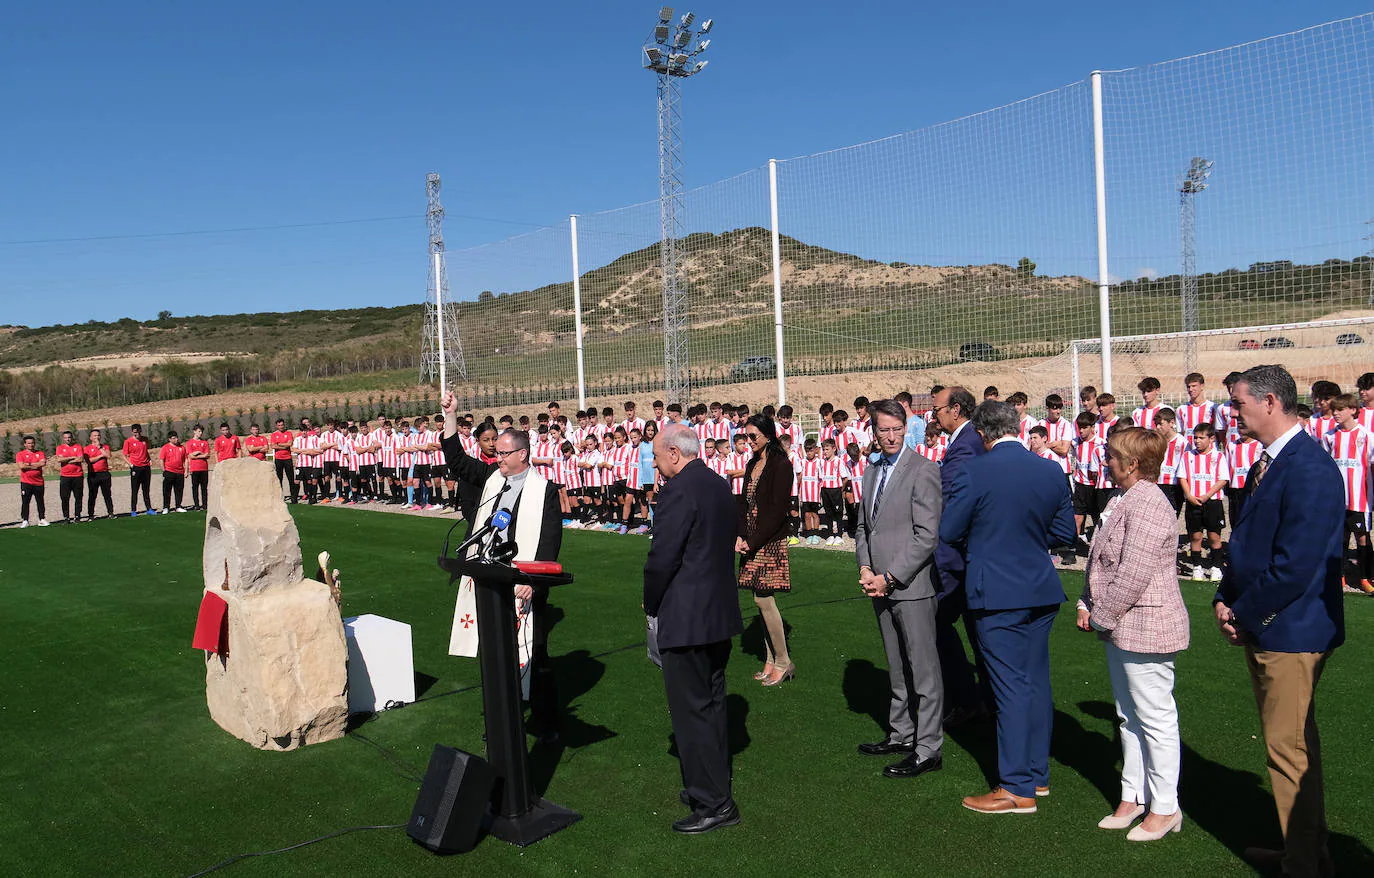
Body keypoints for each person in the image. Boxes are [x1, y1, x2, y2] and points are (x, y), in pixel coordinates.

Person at [1215, 364, 1345, 878]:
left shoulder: (1308, 467)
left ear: (1270, 402)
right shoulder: (1271, 461)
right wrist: (1227, 596)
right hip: (1274, 622)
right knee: (1293, 748)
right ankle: (1306, 854)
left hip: (1292, 628)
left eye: (1239, 402)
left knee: (1288, 753)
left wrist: (1244, 612)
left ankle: (1303, 864)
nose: (1233, 412)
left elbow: (1296, 564)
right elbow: (1251, 543)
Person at [940, 400, 1076, 814]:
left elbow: (949, 530)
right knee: (1034, 682)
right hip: (1040, 587)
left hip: (997, 591)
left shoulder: (974, 470)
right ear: (1019, 426)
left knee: (1010, 687)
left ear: (982, 434)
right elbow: (1064, 531)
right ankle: (1036, 776)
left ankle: (1017, 786)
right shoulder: (1050, 468)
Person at [1075, 427, 1189, 841]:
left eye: (1112, 456)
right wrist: (1087, 602)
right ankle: (1133, 794)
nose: (1107, 461)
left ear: (1133, 463)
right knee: (1129, 715)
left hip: (1147, 622)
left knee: (1156, 718)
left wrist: (1100, 613)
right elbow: (1102, 564)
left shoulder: (1150, 504)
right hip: (1122, 622)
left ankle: (1165, 806)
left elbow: (1133, 574)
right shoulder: (1125, 498)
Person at [440, 392, 563, 740]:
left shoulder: (545, 491)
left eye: (504, 452)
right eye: (497, 452)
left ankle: (545, 722)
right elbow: (458, 462)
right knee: (495, 652)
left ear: (522, 454)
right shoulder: (494, 479)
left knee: (534, 652)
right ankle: (501, 718)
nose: (497, 456)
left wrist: (534, 581)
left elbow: (550, 543)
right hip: (490, 576)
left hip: (524, 581)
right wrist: (450, 417)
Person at [643, 424, 743, 834]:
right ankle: (710, 784)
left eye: (655, 455)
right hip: (717, 611)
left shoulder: (679, 490)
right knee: (713, 704)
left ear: (672, 452)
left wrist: (650, 603)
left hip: (687, 615)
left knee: (691, 712)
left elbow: (663, 557)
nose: (654, 463)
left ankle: (714, 802)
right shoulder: (719, 484)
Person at [854, 399, 944, 780]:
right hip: (878, 585)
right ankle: (901, 733)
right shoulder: (872, 471)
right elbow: (863, 527)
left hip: (910, 586)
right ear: (873, 432)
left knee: (923, 671)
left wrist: (889, 576)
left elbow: (927, 537)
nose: (890, 436)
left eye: (896, 429)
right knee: (895, 666)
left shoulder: (923, 469)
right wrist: (864, 566)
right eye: (883, 430)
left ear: (906, 428)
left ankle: (928, 748)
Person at [931, 386, 992, 727]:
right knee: (969, 627)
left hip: (960, 555)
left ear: (956, 410)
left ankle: (973, 701)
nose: (934, 414)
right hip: (964, 555)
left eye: (937, 408)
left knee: (941, 622)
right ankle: (980, 700)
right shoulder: (963, 441)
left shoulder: (966, 444)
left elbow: (950, 495)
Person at [735, 415, 795, 687]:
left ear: (768, 435)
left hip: (768, 538)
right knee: (758, 597)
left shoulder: (781, 464)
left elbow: (777, 511)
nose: (748, 441)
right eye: (746, 436)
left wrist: (754, 539)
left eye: (753, 436)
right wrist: (740, 534)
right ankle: (770, 659)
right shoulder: (752, 463)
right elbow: (745, 504)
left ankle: (783, 661)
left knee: (763, 599)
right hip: (753, 536)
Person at [16, 436, 50, 527]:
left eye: (32, 443)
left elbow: (42, 463)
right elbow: (22, 466)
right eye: (29, 443)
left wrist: (28, 464)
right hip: (26, 482)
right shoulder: (20, 454)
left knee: (40, 501)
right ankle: (25, 520)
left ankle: (42, 519)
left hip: (38, 482)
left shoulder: (40, 453)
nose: (31, 445)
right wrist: (35, 465)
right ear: (25, 444)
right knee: (25, 502)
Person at [123, 423, 154, 516]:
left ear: (140, 431)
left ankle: (149, 508)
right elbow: (124, 455)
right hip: (136, 467)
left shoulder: (145, 440)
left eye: (137, 432)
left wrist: (149, 459)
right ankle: (133, 510)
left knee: (146, 489)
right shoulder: (128, 441)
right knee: (135, 489)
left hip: (146, 467)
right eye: (134, 432)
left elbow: (145, 451)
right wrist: (131, 465)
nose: (136, 434)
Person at [54, 431, 86, 523]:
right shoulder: (60, 448)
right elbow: (59, 459)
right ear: (63, 439)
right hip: (65, 476)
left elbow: (80, 458)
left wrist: (66, 460)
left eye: (69, 437)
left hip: (77, 476)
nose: (68, 439)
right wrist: (72, 457)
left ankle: (77, 516)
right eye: (66, 437)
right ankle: (66, 517)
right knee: (64, 497)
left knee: (78, 497)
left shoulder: (78, 447)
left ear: (72, 438)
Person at [84, 429, 115, 519]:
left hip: (104, 473)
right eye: (94, 436)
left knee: (107, 494)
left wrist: (100, 448)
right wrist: (101, 455)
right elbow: (89, 460)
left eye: (98, 435)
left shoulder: (105, 446)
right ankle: (90, 515)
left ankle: (110, 512)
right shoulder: (87, 448)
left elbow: (108, 456)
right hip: (93, 474)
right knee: (92, 495)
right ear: (90, 438)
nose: (97, 437)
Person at [159, 432, 188, 513]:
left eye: (177, 437)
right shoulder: (165, 447)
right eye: (174, 438)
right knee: (167, 490)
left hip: (180, 472)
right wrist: (164, 470)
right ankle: (166, 507)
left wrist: (186, 470)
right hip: (169, 471)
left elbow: (185, 459)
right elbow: (161, 460)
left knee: (179, 490)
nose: (176, 439)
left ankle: (178, 506)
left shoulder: (182, 447)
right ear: (170, 439)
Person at [185, 425, 211, 511]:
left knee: (204, 487)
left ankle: (205, 504)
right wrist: (199, 454)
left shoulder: (205, 442)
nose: (200, 433)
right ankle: (196, 504)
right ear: (194, 431)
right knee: (195, 487)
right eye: (199, 431)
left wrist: (197, 454)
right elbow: (190, 456)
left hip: (204, 468)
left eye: (201, 431)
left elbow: (207, 455)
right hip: (195, 468)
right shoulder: (189, 443)